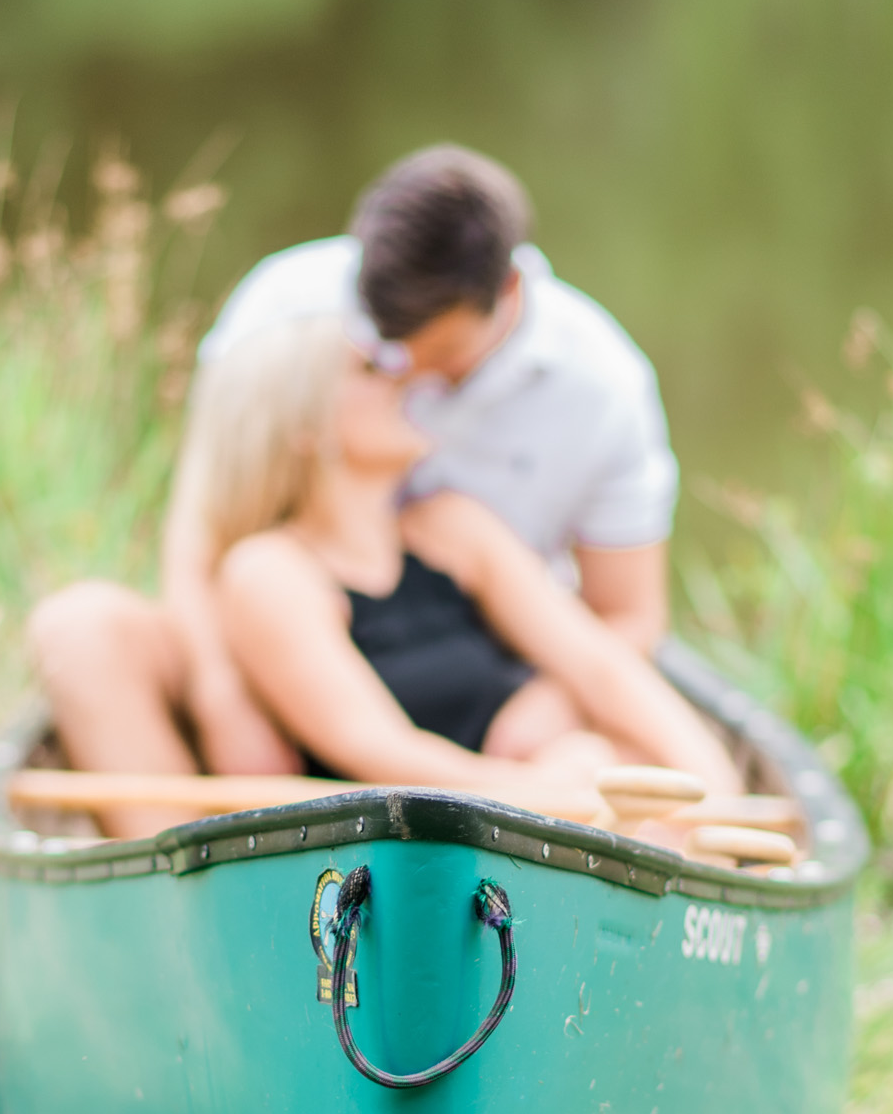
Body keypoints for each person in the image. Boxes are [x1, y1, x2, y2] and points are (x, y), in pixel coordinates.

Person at [30, 144, 683, 822]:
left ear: (509, 294)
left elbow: (628, 615)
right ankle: (171, 883)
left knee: (589, 749)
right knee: (80, 627)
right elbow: (203, 525)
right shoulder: (287, 311)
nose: (408, 378)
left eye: (446, 360)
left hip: (473, 649)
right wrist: (219, 691)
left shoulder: (601, 386)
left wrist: (553, 700)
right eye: (382, 356)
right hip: (280, 625)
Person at [196, 312, 738, 832]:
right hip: (434, 849)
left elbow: (598, 664)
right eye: (369, 369)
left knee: (609, 753)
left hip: (551, 798)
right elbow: (377, 747)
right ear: (303, 427)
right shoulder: (268, 572)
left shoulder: (452, 526)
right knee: (590, 760)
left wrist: (711, 781)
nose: (404, 377)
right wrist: (536, 792)